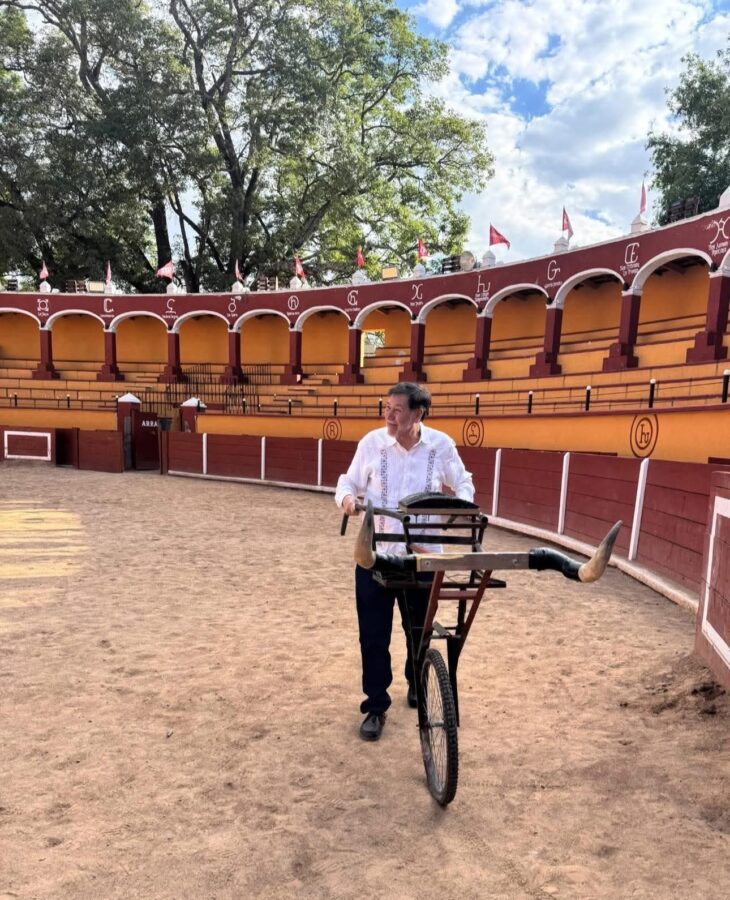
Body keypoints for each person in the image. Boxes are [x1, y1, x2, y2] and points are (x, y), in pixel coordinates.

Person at [335, 382, 475, 741]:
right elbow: (347, 483)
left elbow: (463, 483)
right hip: (375, 556)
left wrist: (459, 507)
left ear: (417, 414)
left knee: (419, 631)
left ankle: (417, 680)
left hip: (423, 559)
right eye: (387, 408)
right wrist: (348, 500)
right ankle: (375, 706)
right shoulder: (371, 443)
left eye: (397, 410)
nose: (389, 415)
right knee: (373, 636)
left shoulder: (441, 445)